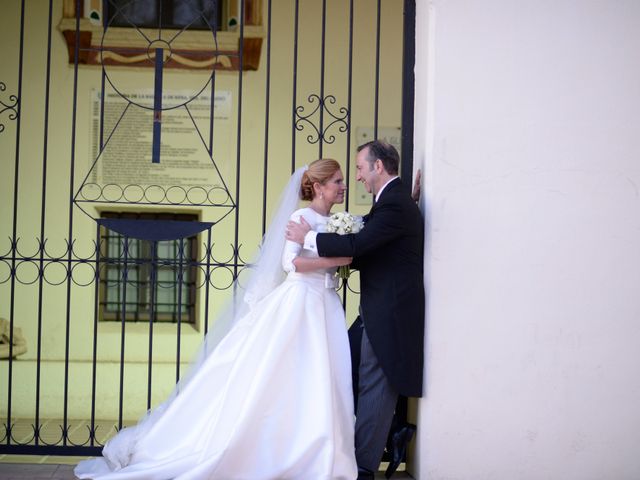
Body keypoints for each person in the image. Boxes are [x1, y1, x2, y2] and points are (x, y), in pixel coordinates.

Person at [75, 159, 358, 480]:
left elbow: (349, 254)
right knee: (284, 375)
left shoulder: (336, 221)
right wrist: (340, 258)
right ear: (318, 186)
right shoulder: (300, 217)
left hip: (326, 305)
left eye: (343, 180)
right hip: (301, 303)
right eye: (337, 181)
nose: (343, 186)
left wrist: (344, 255)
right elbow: (290, 262)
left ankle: (316, 452)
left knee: (322, 377)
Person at [286, 140, 425, 480]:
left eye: (360, 168)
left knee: (372, 384)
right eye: (342, 179)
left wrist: (310, 238)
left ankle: (362, 467)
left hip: (385, 311)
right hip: (371, 309)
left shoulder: (393, 204)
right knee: (341, 374)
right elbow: (369, 235)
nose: (356, 178)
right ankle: (389, 434)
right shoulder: (391, 203)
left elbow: (360, 245)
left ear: (378, 167)